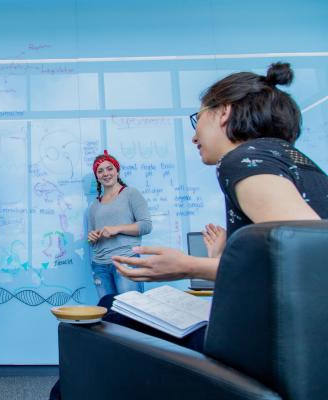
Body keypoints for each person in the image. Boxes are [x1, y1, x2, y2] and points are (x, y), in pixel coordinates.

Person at [106, 62, 328, 353]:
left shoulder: (243, 159)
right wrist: (223, 256)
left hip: (276, 346)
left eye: (197, 119)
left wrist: (189, 266)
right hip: (303, 340)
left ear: (223, 112)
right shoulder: (295, 161)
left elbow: (309, 260)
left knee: (108, 313)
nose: (194, 136)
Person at [87, 150, 152, 299]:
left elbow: (146, 225)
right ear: (97, 176)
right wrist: (91, 237)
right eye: (100, 171)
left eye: (110, 168)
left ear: (117, 170)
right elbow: (91, 241)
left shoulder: (131, 194)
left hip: (126, 261)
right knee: (108, 314)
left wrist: (117, 229)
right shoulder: (94, 206)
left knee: (132, 312)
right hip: (100, 266)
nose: (106, 173)